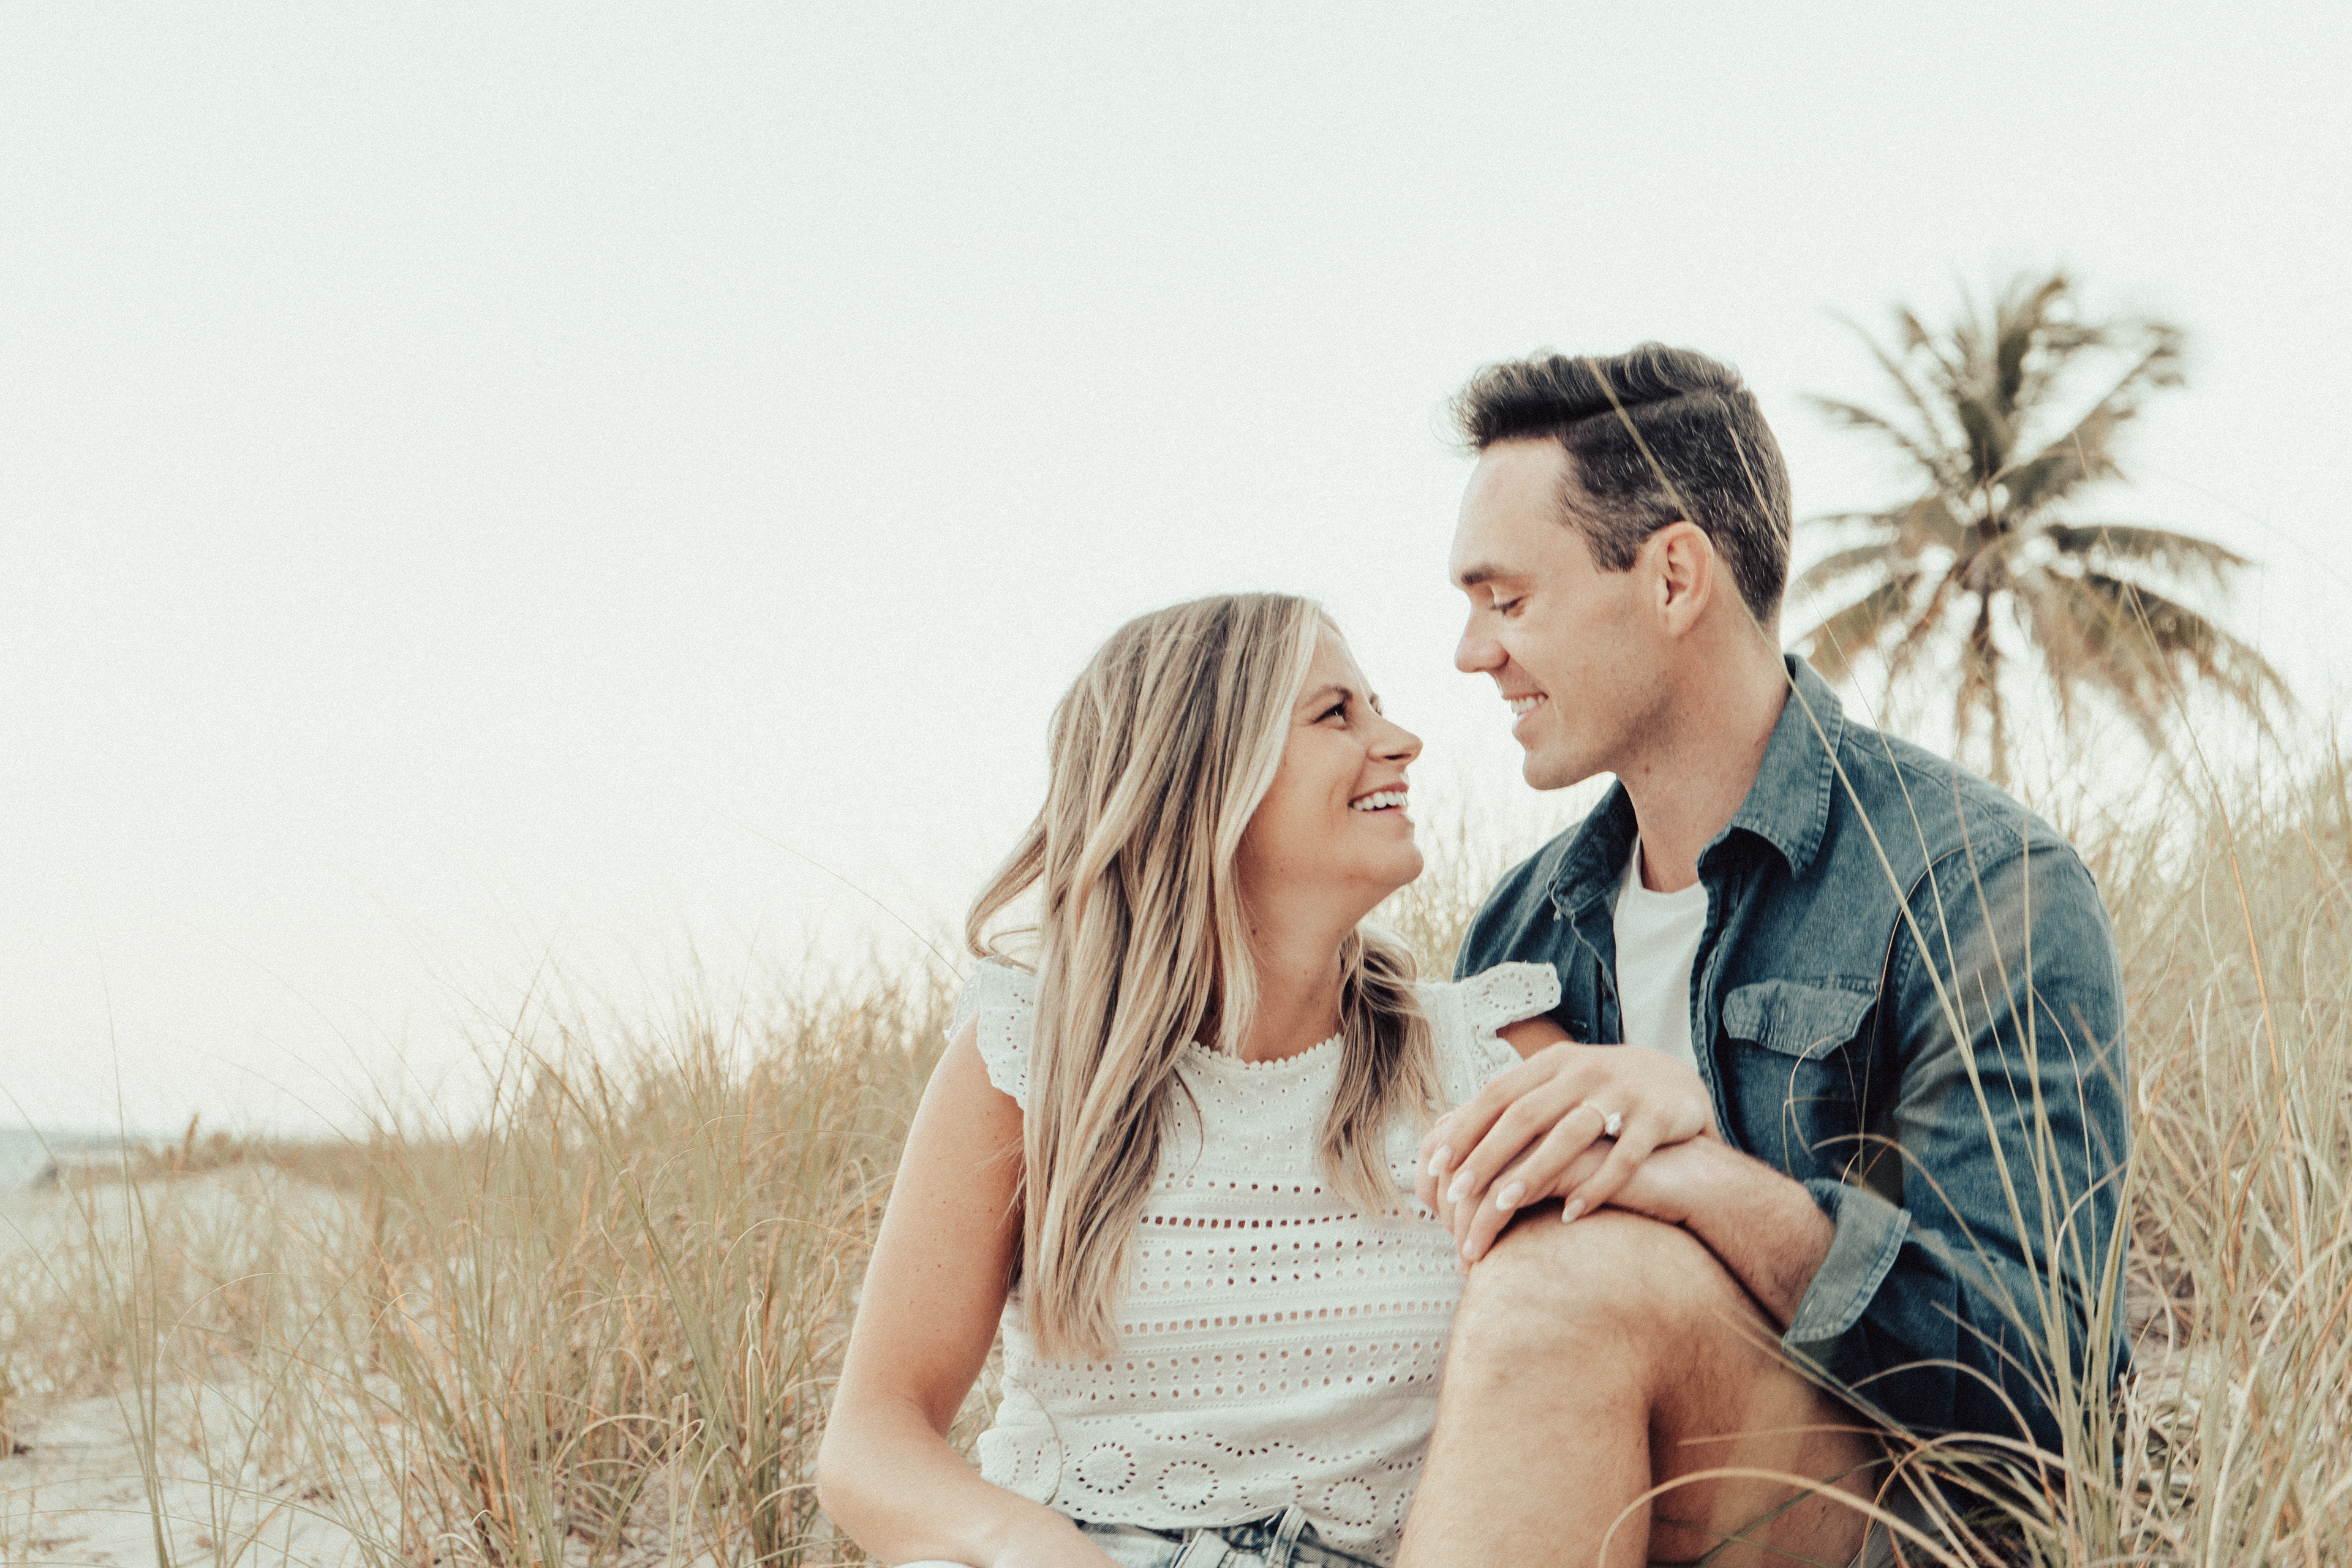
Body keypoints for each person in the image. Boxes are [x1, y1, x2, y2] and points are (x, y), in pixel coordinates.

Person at [1395, 346, 2132, 1566]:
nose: (1474, 652)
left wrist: (1703, 1179)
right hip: (1588, 1496)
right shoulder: (1521, 929)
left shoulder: (1981, 885)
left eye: (1508, 601)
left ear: (1673, 576)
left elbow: (2042, 1385)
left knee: (1567, 1284)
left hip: (1897, 1526)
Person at [816, 594, 1647, 1567]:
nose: (1402, 742)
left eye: (1377, 709)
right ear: (1206, 778)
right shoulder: (1030, 1056)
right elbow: (872, 1439)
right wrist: (1029, 1546)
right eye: (1337, 714)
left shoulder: (1486, 1056)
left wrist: (1660, 1105)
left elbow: (1642, 1328)